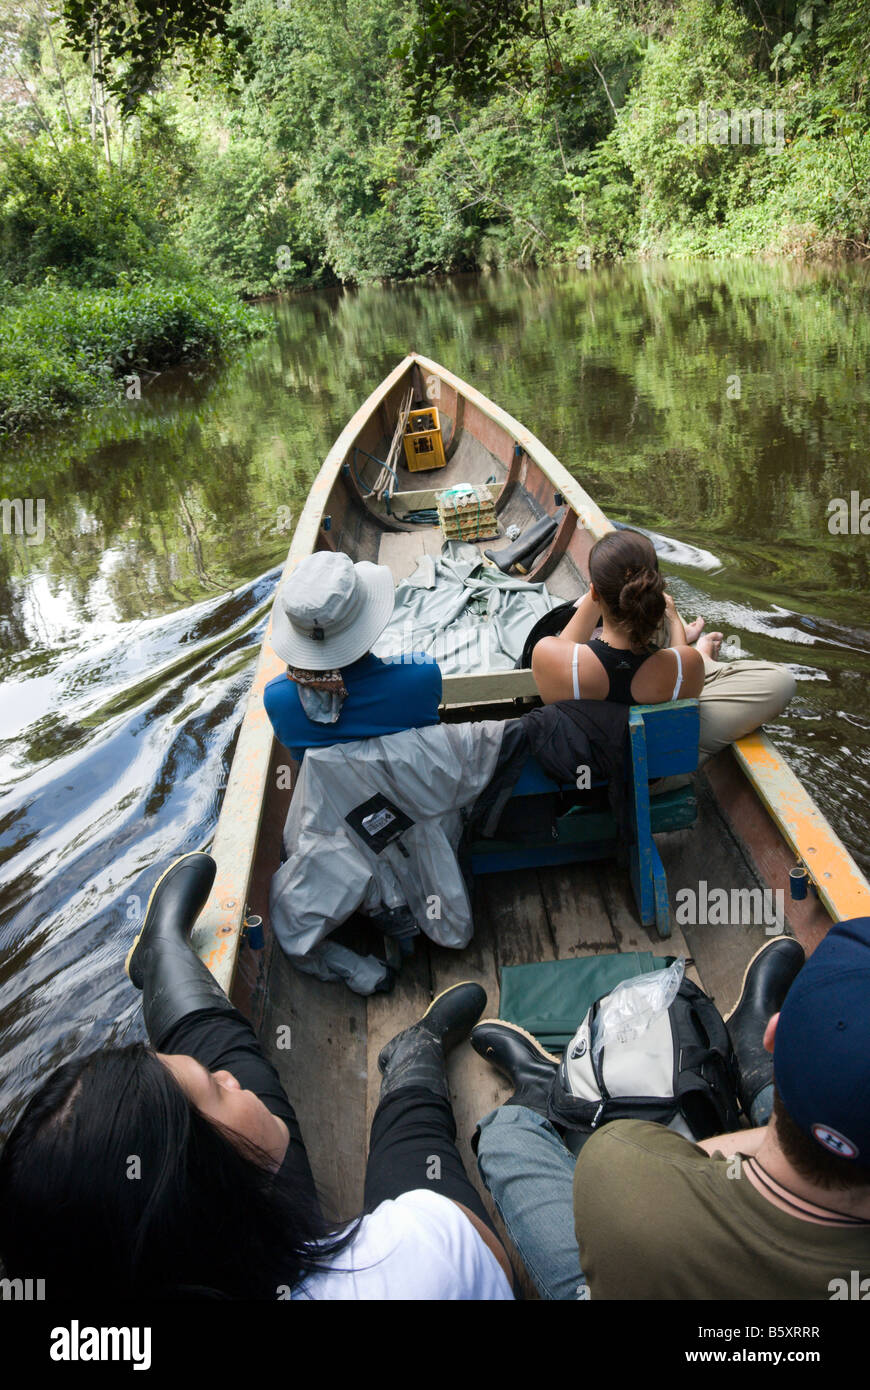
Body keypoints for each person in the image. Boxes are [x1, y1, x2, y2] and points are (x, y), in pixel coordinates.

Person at [0, 853, 513, 1301]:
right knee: (411, 1139)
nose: (227, 1078)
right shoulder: (419, 1263)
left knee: (236, 1091)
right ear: (212, 1204)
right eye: (212, 1088)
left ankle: (160, 951)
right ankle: (412, 1054)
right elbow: (492, 1264)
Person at [471, 926, 870, 1300]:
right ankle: (750, 1064)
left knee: (506, 1133)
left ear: (776, 1036)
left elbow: (660, 1156)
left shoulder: (618, 1167)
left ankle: (545, 1090)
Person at [531, 528, 795, 763]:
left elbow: (566, 647)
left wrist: (593, 596)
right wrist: (672, 617)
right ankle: (706, 657)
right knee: (780, 681)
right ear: (654, 588)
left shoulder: (549, 656)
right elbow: (680, 658)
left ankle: (702, 655)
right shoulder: (684, 665)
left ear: (595, 592)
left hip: (587, 776)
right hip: (657, 770)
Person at [264, 549, 442, 761]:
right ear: (369, 620)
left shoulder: (277, 699)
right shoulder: (422, 675)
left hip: (330, 794)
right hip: (409, 791)